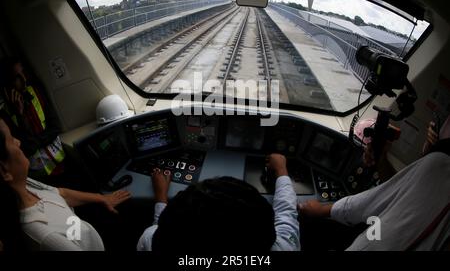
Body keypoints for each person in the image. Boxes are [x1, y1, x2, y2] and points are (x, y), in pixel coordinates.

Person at [299, 115, 450, 250]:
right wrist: (380, 159)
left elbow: (364, 205)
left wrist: (322, 209)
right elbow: (401, 194)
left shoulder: (438, 165)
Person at [0, 117, 132, 250]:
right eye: (11, 139)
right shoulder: (48, 237)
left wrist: (102, 198)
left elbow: (61, 193)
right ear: (4, 170)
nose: (18, 142)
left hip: (83, 233)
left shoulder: (26, 184)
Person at [137, 153, 300, 251]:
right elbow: (286, 212)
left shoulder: (151, 241)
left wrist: (160, 196)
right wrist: (281, 170)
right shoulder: (284, 247)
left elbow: (163, 230)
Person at [1, 58, 66, 183]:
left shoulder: (36, 92)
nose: (24, 80)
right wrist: (20, 115)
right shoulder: (5, 115)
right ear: (8, 84)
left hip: (61, 162)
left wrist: (35, 142)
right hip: (38, 175)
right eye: (17, 77)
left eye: (23, 73)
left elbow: (56, 127)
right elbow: (27, 148)